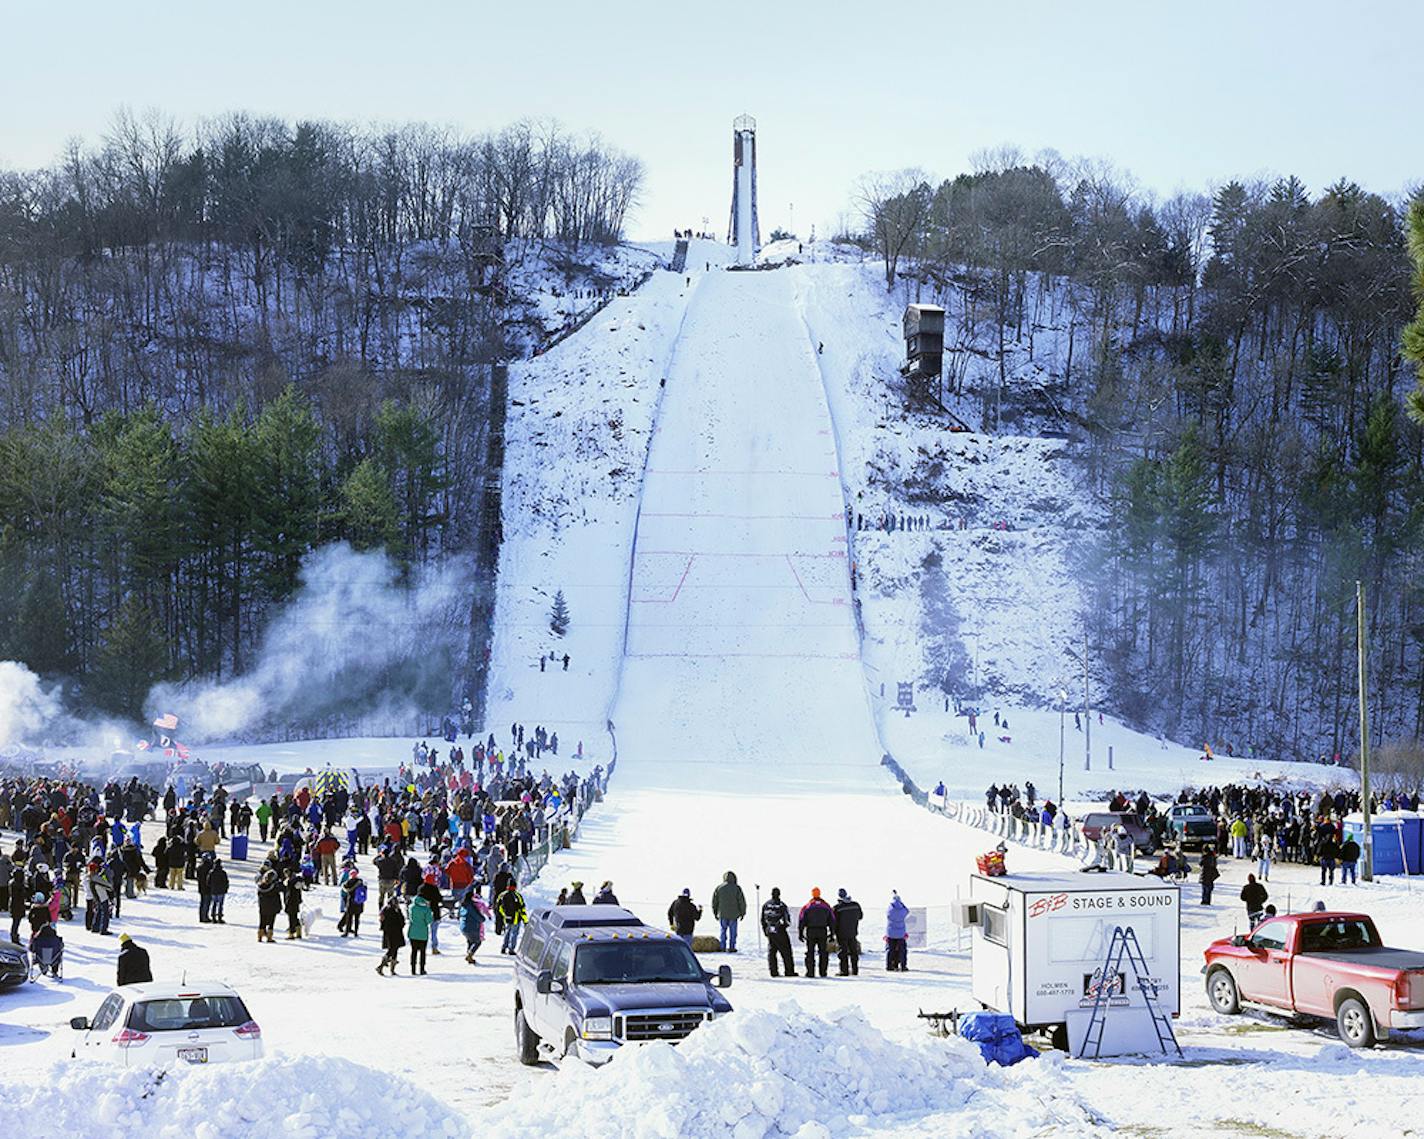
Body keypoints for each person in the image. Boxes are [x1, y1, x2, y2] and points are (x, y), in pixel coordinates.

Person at [797, 888, 834, 978]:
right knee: (823, 952)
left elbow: (801, 919)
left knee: (810, 952)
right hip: (822, 931)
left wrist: (800, 932)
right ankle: (823, 972)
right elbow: (832, 920)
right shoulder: (826, 906)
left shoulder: (807, 906)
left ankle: (810, 972)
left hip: (811, 931)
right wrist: (832, 933)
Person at [760, 887, 796, 978]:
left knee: (772, 951)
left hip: (770, 930)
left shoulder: (766, 905)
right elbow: (786, 920)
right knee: (786, 951)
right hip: (780, 930)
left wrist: (765, 930)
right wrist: (783, 927)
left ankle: (773, 971)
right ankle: (789, 971)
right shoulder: (781, 905)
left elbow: (762, 919)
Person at [711, 871, 746, 953]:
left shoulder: (719, 888)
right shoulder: (737, 888)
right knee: (733, 933)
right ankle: (732, 947)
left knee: (723, 931)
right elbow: (741, 901)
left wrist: (715, 912)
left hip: (722, 914)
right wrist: (742, 913)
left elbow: (714, 902)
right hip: (734, 915)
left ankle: (722, 947)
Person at [833, 889, 863, 976]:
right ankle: (855, 970)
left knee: (843, 952)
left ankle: (844, 970)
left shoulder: (837, 908)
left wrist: (833, 932)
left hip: (841, 933)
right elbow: (860, 916)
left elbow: (834, 921)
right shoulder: (856, 905)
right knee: (854, 952)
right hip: (853, 932)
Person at [458, 888, 489, 963]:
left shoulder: (463, 905)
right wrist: (483, 919)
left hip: (463, 927)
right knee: (478, 942)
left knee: (470, 941)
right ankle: (469, 955)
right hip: (472, 927)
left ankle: (469, 956)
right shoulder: (471, 906)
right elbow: (477, 916)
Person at [377, 896, 406, 975]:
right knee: (393, 950)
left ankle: (390, 969)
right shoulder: (396, 910)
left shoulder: (384, 910)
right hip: (396, 933)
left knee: (393, 949)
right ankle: (382, 966)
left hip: (387, 933)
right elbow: (402, 922)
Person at [407, 892, 433, 975]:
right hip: (423, 933)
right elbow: (429, 921)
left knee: (413, 951)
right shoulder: (426, 909)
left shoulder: (411, 907)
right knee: (422, 952)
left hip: (412, 932)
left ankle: (413, 969)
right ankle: (422, 969)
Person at [497, 884, 526, 954]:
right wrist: (525, 920)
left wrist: (504, 915)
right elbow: (522, 909)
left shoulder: (502, 895)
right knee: (514, 933)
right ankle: (511, 949)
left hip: (506, 918)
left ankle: (504, 948)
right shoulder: (517, 896)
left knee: (507, 932)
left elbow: (498, 906)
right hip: (516, 918)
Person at [885, 890, 909, 971]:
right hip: (901, 933)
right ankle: (903, 965)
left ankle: (889, 965)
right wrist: (901, 904)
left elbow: (887, 914)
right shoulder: (902, 910)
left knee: (890, 950)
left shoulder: (890, 909)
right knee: (902, 950)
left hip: (891, 933)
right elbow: (907, 911)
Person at [338, 871, 367, 937]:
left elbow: (345, 888)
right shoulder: (360, 881)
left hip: (351, 902)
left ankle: (346, 932)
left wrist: (343, 886)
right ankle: (356, 932)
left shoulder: (349, 882)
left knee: (349, 918)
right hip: (359, 903)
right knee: (357, 918)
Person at [256, 870, 281, 943]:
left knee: (262, 921)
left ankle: (260, 936)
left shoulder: (260, 886)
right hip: (272, 907)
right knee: (271, 922)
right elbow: (282, 889)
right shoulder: (274, 887)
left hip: (263, 906)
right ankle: (269, 937)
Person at [208, 859, 229, 924]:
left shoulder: (211, 872)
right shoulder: (223, 872)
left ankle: (213, 917)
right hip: (221, 891)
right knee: (220, 904)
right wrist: (225, 888)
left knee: (214, 904)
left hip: (213, 890)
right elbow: (226, 882)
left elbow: (208, 882)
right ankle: (219, 917)